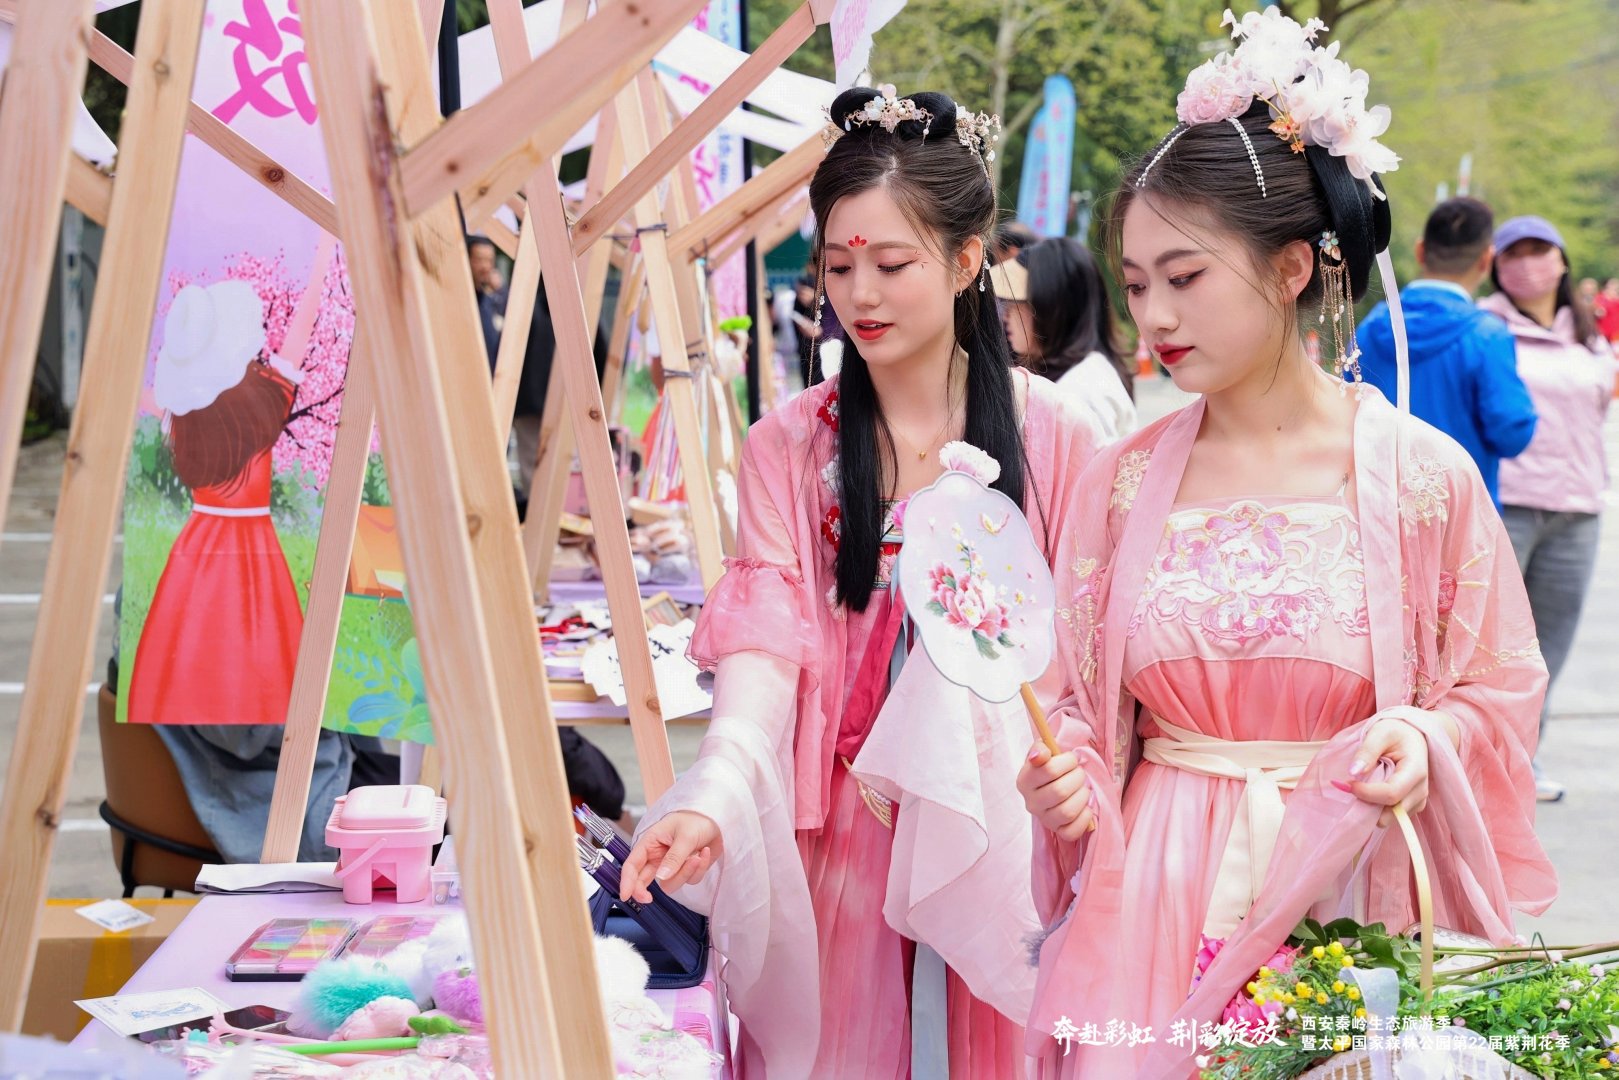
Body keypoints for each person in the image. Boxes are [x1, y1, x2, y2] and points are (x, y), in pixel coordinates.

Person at [1019, 15, 1555, 1076]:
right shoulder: (1119, 480)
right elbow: (1072, 698)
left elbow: (1496, 692)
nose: (1152, 316)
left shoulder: (1421, 478)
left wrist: (1424, 737)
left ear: (1292, 268)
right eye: (1135, 283)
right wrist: (1064, 772)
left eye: (1184, 276)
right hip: (1156, 888)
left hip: (1342, 884)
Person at [619, 86, 1105, 1077]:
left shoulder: (1056, 435)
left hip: (1007, 813)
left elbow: (1089, 656)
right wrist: (716, 789)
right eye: (838, 267)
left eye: (891, 264)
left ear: (966, 261)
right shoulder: (789, 445)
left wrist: (1072, 777)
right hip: (844, 819)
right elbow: (765, 651)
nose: (859, 295)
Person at [1482, 215, 1618, 803]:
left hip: (1577, 509)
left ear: (1562, 260)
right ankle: (1481, 762)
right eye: (1515, 253)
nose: (1529, 264)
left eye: (1540, 251)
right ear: (1496, 265)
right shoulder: (1486, 326)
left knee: (1550, 649)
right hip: (1509, 506)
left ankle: (1523, 761)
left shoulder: (1586, 333)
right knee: (1494, 646)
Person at [1356, 197, 1536, 507]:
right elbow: (1511, 433)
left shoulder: (1372, 326)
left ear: (1420, 250)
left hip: (1379, 507)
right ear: (1487, 259)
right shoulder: (1487, 335)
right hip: (1459, 511)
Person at [1009, 236, 1138, 442]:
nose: (1007, 314)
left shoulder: (1082, 390)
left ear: (1051, 307)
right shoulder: (1084, 375)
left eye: (1017, 302)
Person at [467, 235, 506, 366]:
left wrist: (500, 289)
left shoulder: (490, 301)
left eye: (489, 261)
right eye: (479, 260)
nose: (485, 266)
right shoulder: (462, 302)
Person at [1598, 277, 1619, 343]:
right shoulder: (1599, 298)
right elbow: (1599, 313)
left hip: (1616, 333)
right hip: (1603, 332)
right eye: (1612, 285)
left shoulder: (1617, 300)